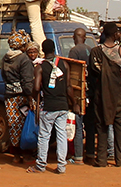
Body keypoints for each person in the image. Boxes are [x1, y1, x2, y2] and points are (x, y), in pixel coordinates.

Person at [28, 39, 74, 174]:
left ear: (42, 51)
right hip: (63, 106)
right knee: (61, 135)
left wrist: (32, 96)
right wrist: (74, 103)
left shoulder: (40, 67)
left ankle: (41, 165)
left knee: (44, 136)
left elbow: (36, 87)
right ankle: (61, 166)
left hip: (48, 106)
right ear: (54, 49)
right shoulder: (64, 64)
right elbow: (69, 86)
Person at [87, 22, 121, 167]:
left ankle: (101, 159)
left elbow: (92, 72)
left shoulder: (95, 51)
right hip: (117, 94)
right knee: (119, 126)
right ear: (115, 34)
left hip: (101, 92)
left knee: (101, 126)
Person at [3, 30, 35, 164]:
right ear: (22, 46)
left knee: (13, 124)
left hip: (9, 97)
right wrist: (30, 98)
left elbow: (4, 77)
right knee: (25, 125)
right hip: (22, 98)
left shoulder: (5, 58)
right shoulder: (24, 59)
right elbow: (27, 82)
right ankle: (26, 153)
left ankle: (15, 154)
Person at [65, 28, 91, 164]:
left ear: (74, 37)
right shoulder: (90, 49)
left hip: (80, 93)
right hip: (90, 91)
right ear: (85, 37)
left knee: (78, 126)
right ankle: (91, 153)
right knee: (90, 125)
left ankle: (79, 156)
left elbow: (73, 76)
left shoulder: (74, 51)